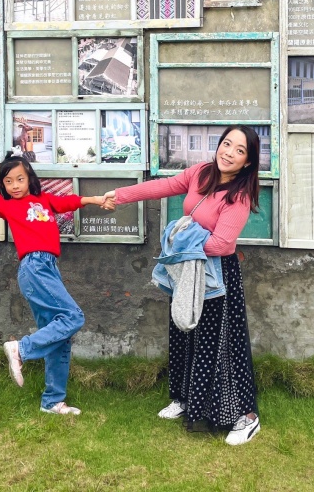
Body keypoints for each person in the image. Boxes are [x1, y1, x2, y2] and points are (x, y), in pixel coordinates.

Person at [102, 126, 262, 445]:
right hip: (188, 268)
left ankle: (246, 417)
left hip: (216, 273)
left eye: (239, 150)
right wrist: (119, 196)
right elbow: (163, 186)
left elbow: (221, 244)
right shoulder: (201, 172)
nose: (228, 152)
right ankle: (185, 399)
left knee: (220, 344)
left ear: (247, 161)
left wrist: (183, 239)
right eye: (226, 144)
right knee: (183, 328)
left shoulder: (240, 195)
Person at [0, 153, 108, 415]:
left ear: (29, 179)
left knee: (60, 336)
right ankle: (21, 349)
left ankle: (52, 402)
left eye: (20, 179)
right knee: (73, 317)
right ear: (3, 185)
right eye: (9, 181)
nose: (14, 185)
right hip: (34, 268)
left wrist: (95, 199)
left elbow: (67, 201)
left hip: (48, 268)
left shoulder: (44, 200)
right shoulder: (7, 206)